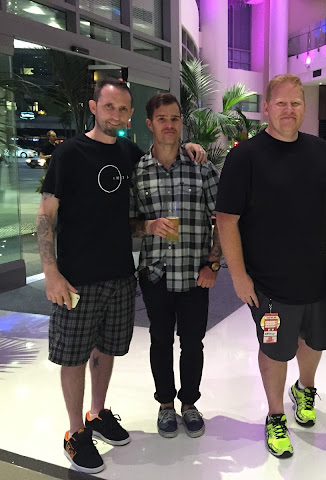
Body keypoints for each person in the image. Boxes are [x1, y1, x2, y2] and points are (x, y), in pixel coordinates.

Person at [37, 77, 206, 474]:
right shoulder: (69, 154)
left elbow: (163, 156)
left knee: (107, 349)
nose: (115, 115)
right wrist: (50, 271)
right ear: (94, 107)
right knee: (74, 356)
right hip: (76, 277)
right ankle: (75, 432)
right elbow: (46, 215)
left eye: (123, 109)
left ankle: (97, 413)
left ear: (131, 115)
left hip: (120, 275)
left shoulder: (130, 154)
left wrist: (189, 147)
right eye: (109, 107)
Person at [216, 74, 326, 459]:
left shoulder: (320, 152)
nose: (288, 110)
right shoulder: (245, 156)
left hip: (316, 274)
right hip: (268, 280)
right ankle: (275, 415)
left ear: (305, 107)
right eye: (281, 103)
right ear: (266, 108)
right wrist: (238, 276)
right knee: (275, 350)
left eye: (296, 103)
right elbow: (226, 220)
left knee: (315, 342)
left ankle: (305, 389)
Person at [129, 93, 220, 440]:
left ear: (182, 122)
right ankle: (165, 404)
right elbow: (129, 223)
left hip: (196, 273)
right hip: (156, 272)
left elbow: (223, 219)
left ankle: (190, 403)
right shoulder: (139, 171)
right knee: (160, 340)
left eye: (175, 118)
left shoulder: (201, 166)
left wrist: (214, 263)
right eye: (162, 119)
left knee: (193, 342)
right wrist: (148, 226)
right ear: (149, 124)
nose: (169, 125)